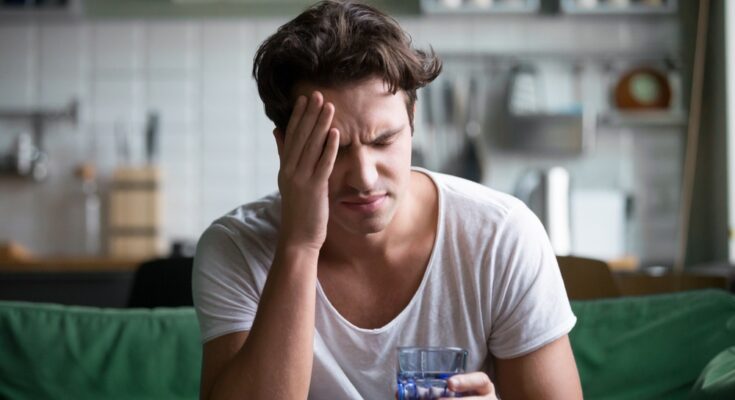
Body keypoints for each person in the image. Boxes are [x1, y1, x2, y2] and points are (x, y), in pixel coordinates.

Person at [192, 1, 583, 399]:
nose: (364, 177)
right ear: (286, 148)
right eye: (334, 148)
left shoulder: (501, 235)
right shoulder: (236, 248)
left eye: (384, 140)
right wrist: (299, 244)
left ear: (411, 121)